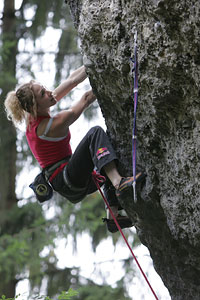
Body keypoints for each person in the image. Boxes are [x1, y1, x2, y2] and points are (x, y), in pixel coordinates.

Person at [4, 65, 144, 233]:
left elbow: (72, 80)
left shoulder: (34, 115)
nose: (49, 92)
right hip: (66, 179)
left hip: (68, 180)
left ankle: (113, 216)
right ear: (35, 107)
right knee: (95, 134)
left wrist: (91, 63)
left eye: (44, 88)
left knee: (106, 151)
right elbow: (85, 99)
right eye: (43, 93)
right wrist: (111, 79)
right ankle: (117, 182)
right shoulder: (51, 125)